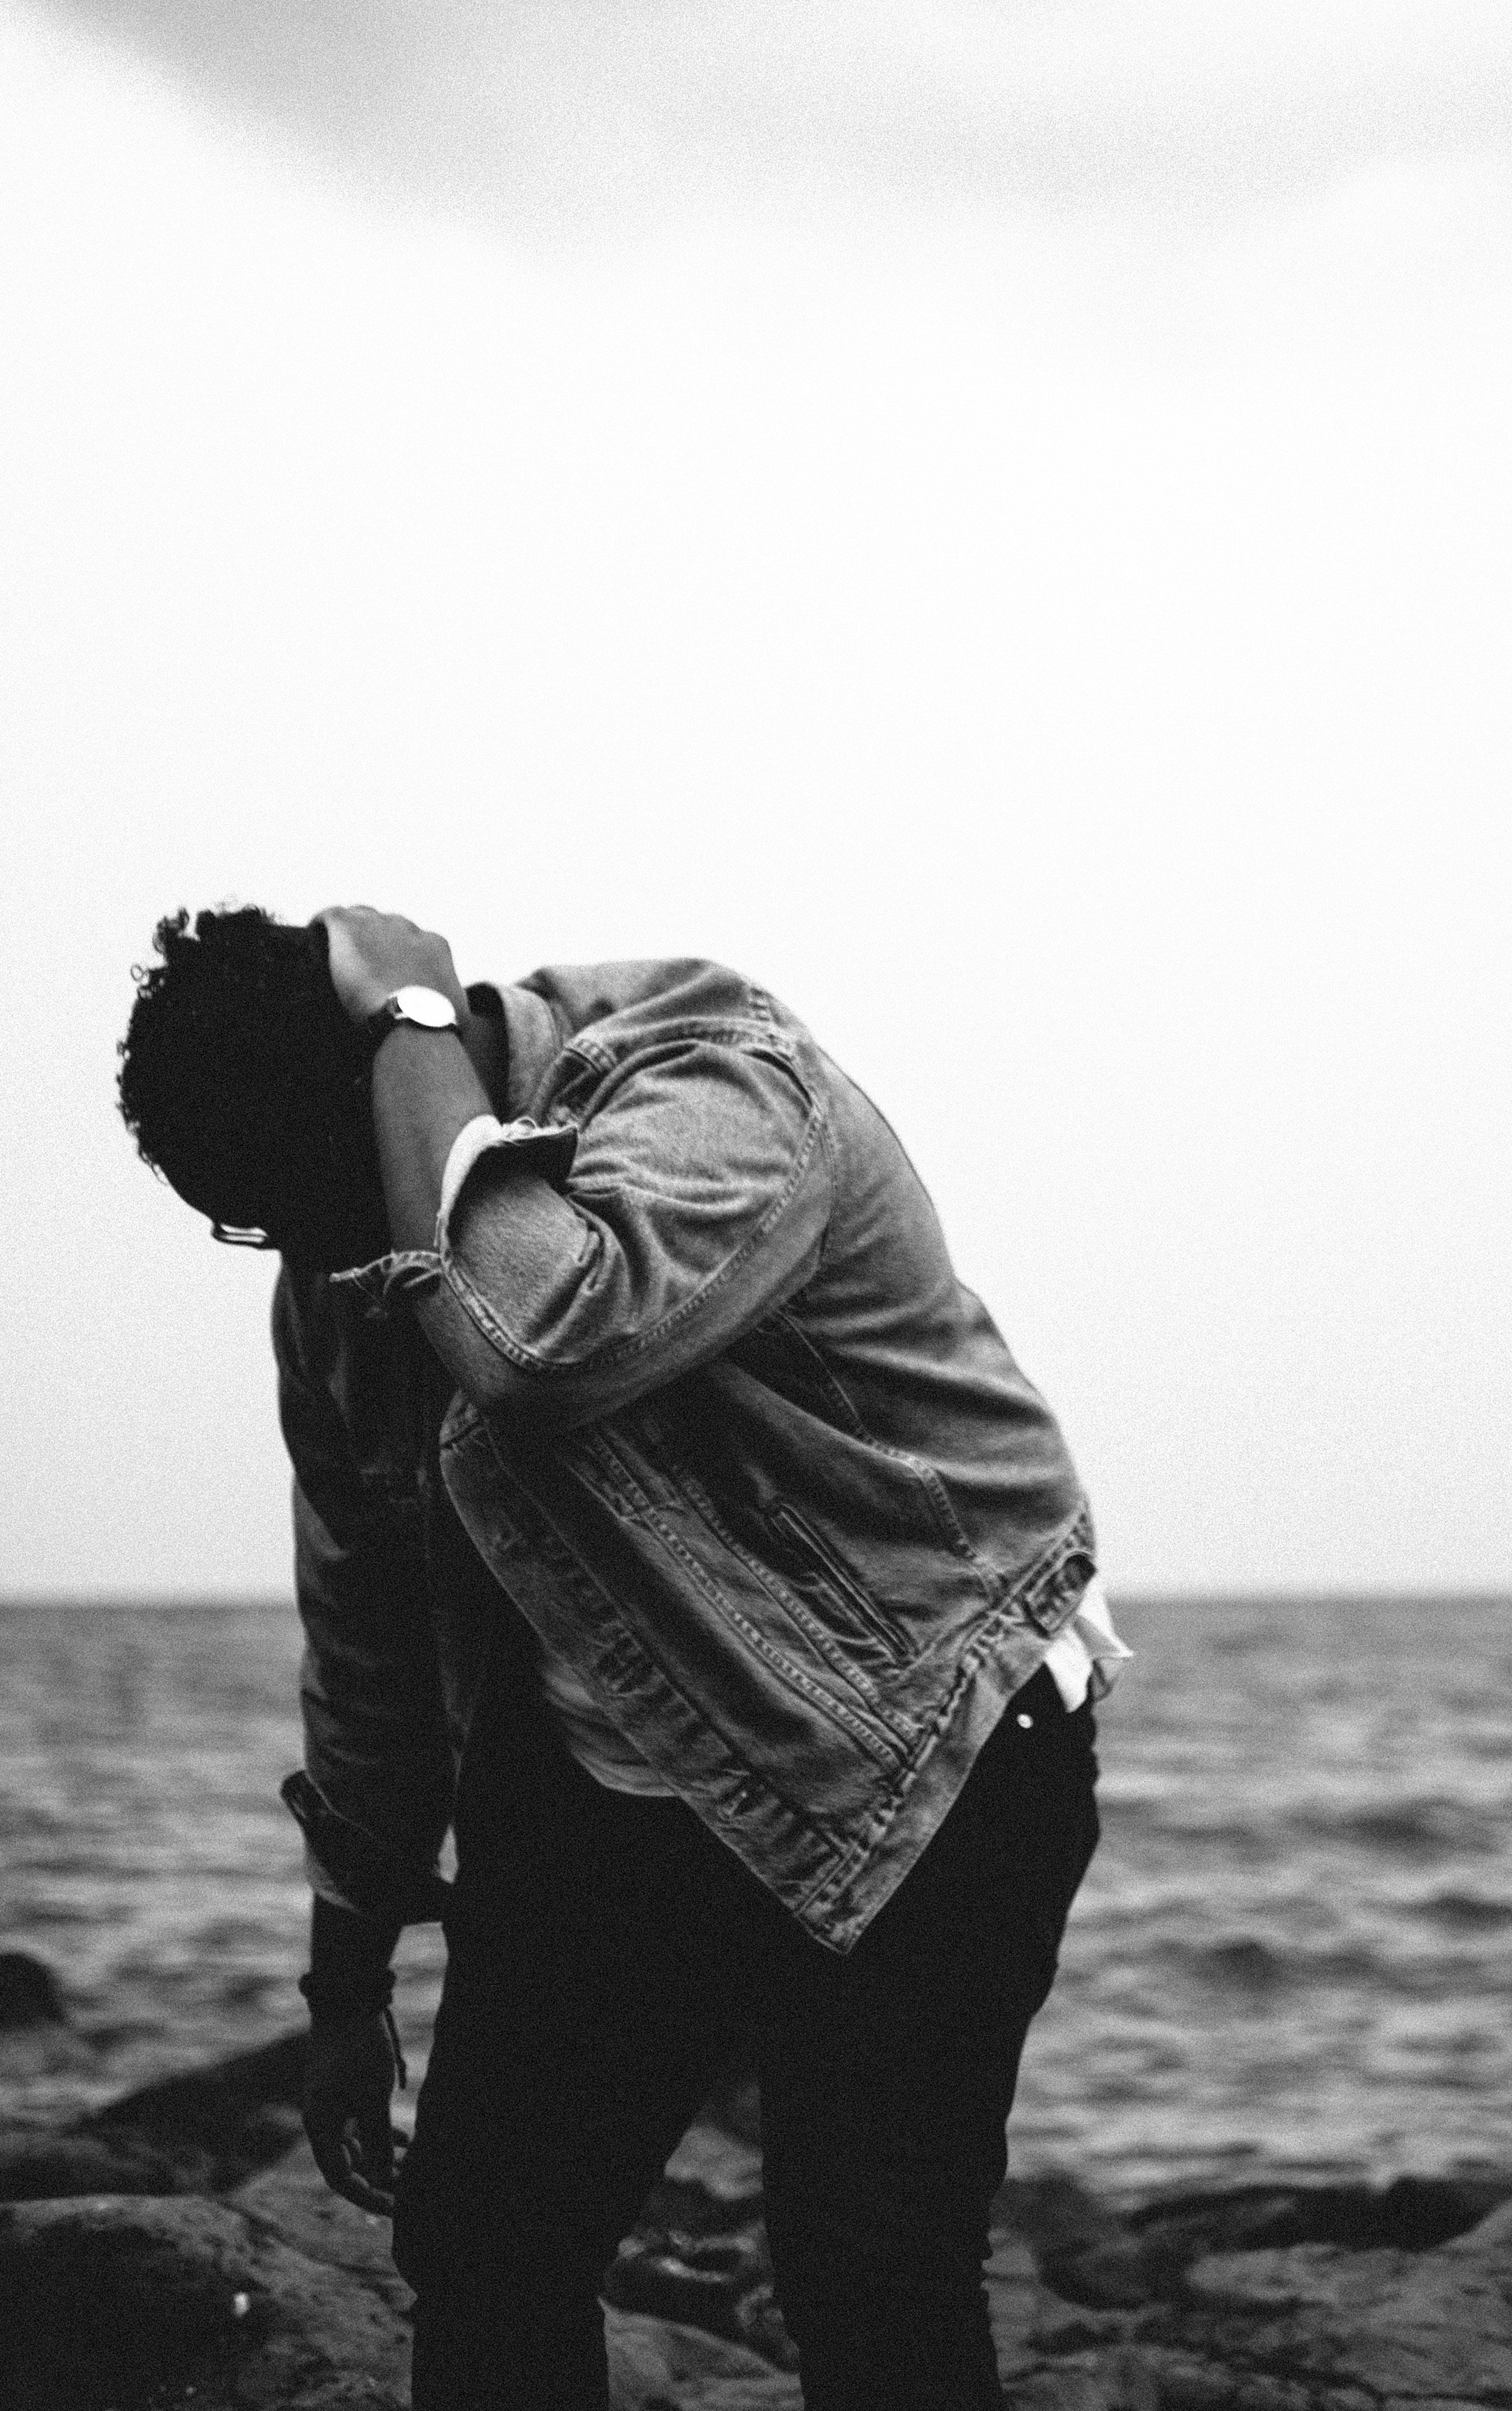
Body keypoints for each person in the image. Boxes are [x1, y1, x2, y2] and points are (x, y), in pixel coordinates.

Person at [114, 900, 1118, 2411]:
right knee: (484, 2244)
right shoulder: (332, 1288)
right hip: (620, 1783)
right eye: (262, 1225)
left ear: (389, 1087)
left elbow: (537, 1333)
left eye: (316, 1200)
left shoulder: (709, 1081)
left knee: (871, 2268)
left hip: (927, 1744)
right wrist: (345, 1977)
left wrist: (409, 1023)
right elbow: (371, 1639)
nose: (318, 1255)